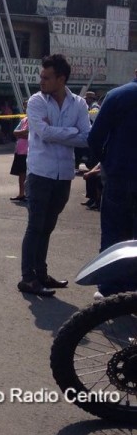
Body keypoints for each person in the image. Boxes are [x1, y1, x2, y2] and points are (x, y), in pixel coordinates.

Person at [18, 54, 90, 297]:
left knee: (48, 227)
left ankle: (41, 273)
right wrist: (71, 132)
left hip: (64, 174)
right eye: (41, 77)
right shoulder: (37, 102)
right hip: (40, 173)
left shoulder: (78, 104)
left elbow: (86, 137)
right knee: (35, 226)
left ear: (61, 79)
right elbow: (43, 133)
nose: (42, 81)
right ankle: (28, 278)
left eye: (47, 77)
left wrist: (58, 131)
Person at [88, 68, 137, 299]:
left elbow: (94, 137)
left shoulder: (117, 95)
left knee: (113, 234)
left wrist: (105, 162)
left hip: (118, 177)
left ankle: (108, 289)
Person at [9, 106, 28, 202]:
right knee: (21, 173)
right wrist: (23, 132)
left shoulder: (38, 120)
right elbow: (15, 132)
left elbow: (31, 135)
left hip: (30, 152)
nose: (26, 110)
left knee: (30, 174)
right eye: (25, 108)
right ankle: (21, 194)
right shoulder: (24, 120)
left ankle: (30, 194)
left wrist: (22, 134)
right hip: (20, 151)